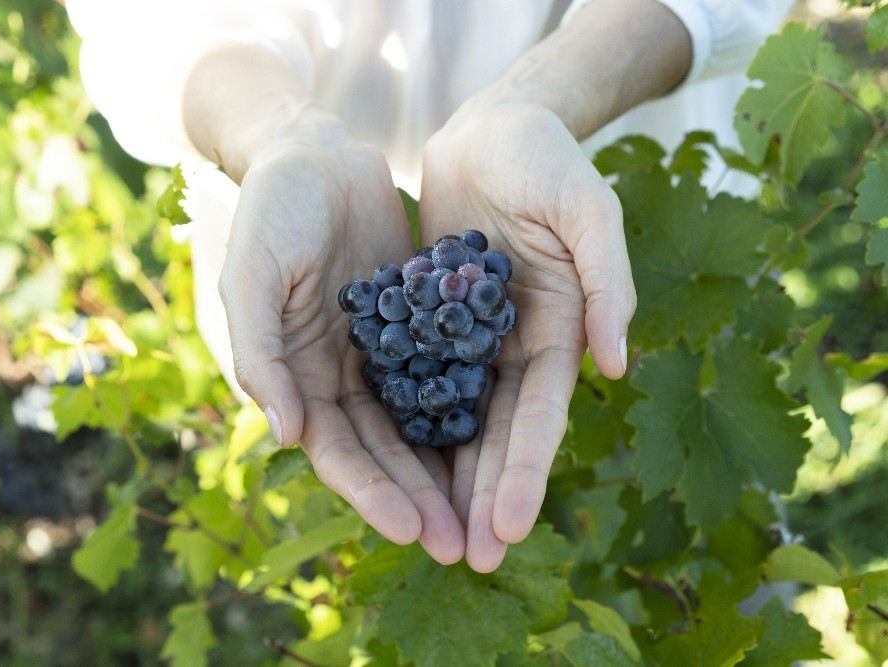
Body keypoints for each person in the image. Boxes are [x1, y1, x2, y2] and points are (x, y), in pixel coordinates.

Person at [67, 0, 794, 572]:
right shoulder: (394, 320)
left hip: (604, 242)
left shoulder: (473, 299)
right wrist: (274, 134)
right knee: (355, 543)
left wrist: (538, 101)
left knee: (714, 511)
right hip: (304, 285)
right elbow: (143, 16)